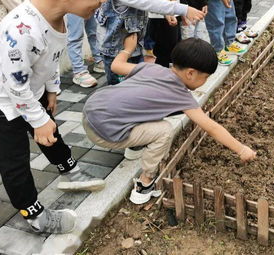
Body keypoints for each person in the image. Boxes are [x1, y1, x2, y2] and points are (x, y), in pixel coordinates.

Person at [0, 0, 108, 234]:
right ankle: (34, 214)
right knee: (15, 164)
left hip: (30, 91)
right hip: (2, 105)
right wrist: (37, 119)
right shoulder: (22, 31)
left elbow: (50, 59)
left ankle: (72, 172)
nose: (102, 0)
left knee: (50, 133)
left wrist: (52, 90)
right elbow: (14, 86)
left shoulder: (57, 15)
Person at [82, 34, 256, 204]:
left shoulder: (152, 67)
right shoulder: (180, 96)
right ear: (190, 73)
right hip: (102, 133)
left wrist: (128, 49)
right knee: (164, 130)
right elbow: (211, 127)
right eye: (205, 77)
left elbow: (116, 66)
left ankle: (135, 146)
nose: (205, 81)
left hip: (91, 109)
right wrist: (241, 149)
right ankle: (144, 184)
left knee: (148, 107)